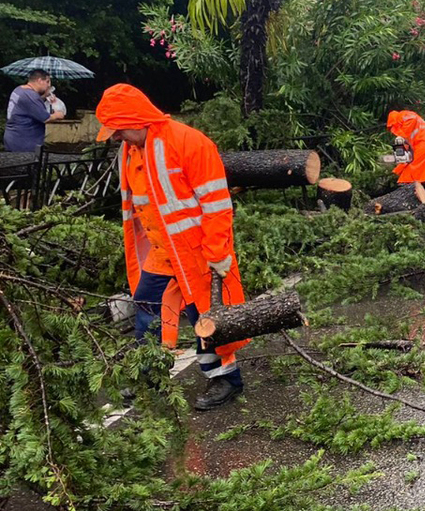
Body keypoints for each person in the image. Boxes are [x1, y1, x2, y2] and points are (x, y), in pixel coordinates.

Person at [95, 83, 249, 410]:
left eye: (118, 130)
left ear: (135, 120)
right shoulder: (131, 151)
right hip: (162, 254)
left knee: (207, 319)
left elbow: (217, 204)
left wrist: (218, 253)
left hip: (198, 253)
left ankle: (226, 380)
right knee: (148, 313)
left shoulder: (188, 142)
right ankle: (147, 377)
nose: (116, 138)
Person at [387, 109, 425, 194]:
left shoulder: (405, 119)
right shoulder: (412, 118)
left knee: (408, 177)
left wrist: (400, 166)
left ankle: (412, 194)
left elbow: (404, 152)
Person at [4, 70, 64, 152]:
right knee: (26, 164)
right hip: (23, 142)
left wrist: (44, 96)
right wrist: (58, 114)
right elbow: (46, 118)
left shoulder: (19, 90)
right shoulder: (31, 96)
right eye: (47, 81)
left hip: (13, 137)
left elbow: (30, 107)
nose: (49, 85)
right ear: (39, 80)